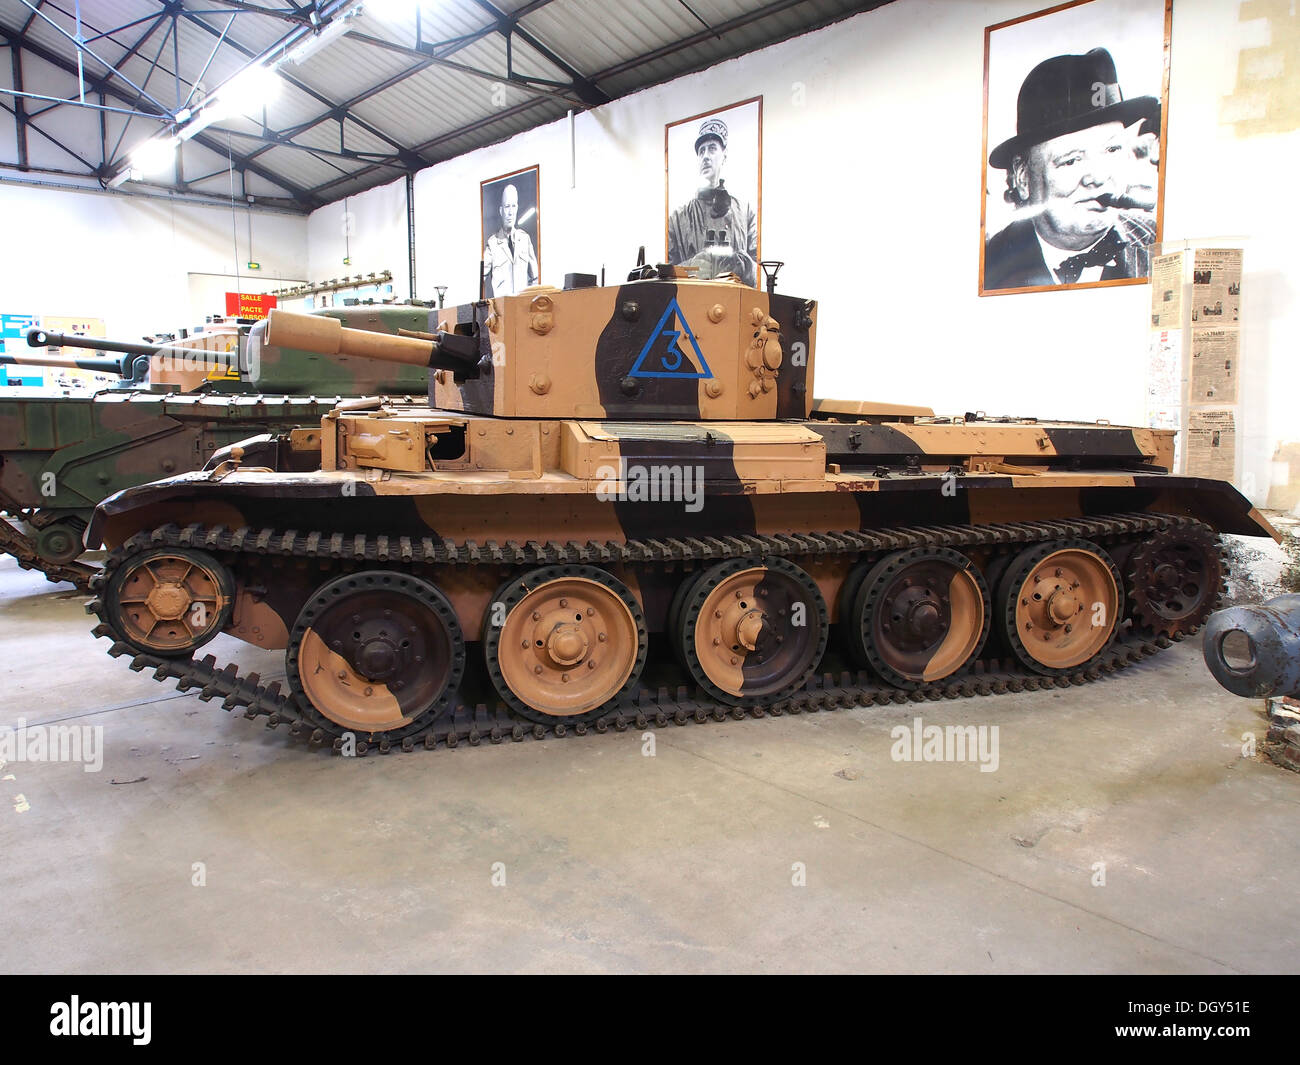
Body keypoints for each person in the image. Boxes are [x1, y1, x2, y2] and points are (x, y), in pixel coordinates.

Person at [984, 48, 1161, 291]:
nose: (1098, 178)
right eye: (1071, 160)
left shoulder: (1157, 243)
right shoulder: (988, 265)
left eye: (1112, 150)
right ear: (1023, 179)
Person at [667, 117, 759, 287]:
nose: (706, 157)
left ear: (724, 156)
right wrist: (692, 268)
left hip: (736, 304)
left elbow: (759, 272)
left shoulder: (745, 212)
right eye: (701, 151)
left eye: (712, 149)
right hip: (692, 306)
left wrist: (741, 264)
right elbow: (665, 276)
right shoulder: (678, 218)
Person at [482, 183, 538, 297]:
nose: (510, 212)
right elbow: (479, 279)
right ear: (501, 210)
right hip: (502, 310)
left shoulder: (524, 239)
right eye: (507, 206)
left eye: (513, 206)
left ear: (517, 208)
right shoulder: (492, 244)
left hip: (522, 308)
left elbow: (535, 278)